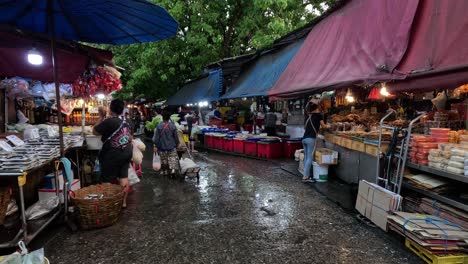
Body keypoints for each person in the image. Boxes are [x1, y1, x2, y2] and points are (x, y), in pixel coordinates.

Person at [93, 99, 132, 208]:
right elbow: (130, 137)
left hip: (112, 154)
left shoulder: (109, 121)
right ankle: (123, 203)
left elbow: (94, 131)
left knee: (107, 180)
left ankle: (108, 204)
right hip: (126, 151)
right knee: (123, 177)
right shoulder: (128, 121)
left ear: (111, 108)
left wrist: (101, 116)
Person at [302, 102, 329, 183]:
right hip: (311, 139)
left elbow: (305, 127)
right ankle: (306, 177)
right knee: (310, 157)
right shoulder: (319, 116)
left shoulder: (308, 116)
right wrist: (329, 126)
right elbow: (324, 126)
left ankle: (305, 174)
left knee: (306, 157)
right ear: (317, 108)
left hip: (304, 138)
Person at [153, 112, 181, 179]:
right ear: (169, 118)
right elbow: (176, 137)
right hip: (171, 147)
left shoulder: (159, 126)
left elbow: (156, 138)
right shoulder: (173, 126)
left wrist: (155, 145)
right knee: (173, 159)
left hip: (162, 147)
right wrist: (177, 144)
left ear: (162, 118)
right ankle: (172, 171)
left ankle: (164, 171)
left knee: (163, 160)